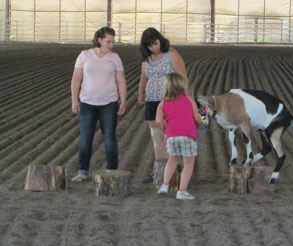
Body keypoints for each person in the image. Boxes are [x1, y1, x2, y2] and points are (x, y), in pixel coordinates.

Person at [71, 26, 127, 182]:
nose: (111, 45)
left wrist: (123, 100)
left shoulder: (114, 58)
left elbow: (121, 80)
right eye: (108, 41)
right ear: (99, 40)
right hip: (88, 102)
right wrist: (75, 100)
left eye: (113, 42)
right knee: (85, 138)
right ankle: (82, 171)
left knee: (109, 137)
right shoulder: (84, 55)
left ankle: (112, 170)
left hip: (109, 103)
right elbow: (76, 78)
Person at [138, 27, 188, 183]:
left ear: (160, 40)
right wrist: (140, 93)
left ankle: (174, 171)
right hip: (152, 100)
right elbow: (143, 78)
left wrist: (184, 98)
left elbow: (182, 76)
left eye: (155, 43)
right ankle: (159, 172)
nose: (154, 47)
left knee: (170, 135)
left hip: (170, 100)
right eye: (150, 46)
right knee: (156, 136)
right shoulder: (147, 59)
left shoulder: (171, 54)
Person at [156, 73, 204, 200]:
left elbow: (158, 121)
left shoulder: (162, 103)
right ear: (182, 86)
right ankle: (182, 191)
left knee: (172, 159)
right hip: (188, 135)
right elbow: (198, 119)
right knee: (188, 163)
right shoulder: (189, 99)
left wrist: (166, 131)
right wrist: (202, 121)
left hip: (171, 136)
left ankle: (164, 185)